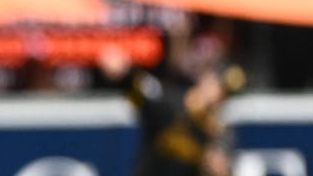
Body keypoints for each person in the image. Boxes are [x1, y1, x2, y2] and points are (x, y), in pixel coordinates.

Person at [98, 46, 245, 176]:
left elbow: (221, 163)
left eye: (226, 94)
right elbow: (135, 84)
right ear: (205, 79)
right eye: (218, 87)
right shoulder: (168, 100)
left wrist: (217, 164)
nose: (219, 96)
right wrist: (122, 71)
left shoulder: (218, 132)